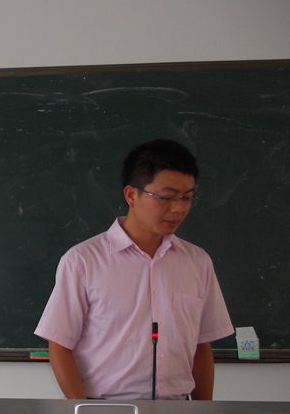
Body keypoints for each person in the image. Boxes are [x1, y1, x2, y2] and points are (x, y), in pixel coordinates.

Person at [34, 139, 233, 400]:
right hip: (105, 411)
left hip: (179, 412)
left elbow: (201, 345)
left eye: (186, 197)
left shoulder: (197, 261)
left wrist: (203, 413)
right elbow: (59, 345)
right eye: (166, 197)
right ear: (131, 195)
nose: (178, 208)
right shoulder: (83, 261)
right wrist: (83, 411)